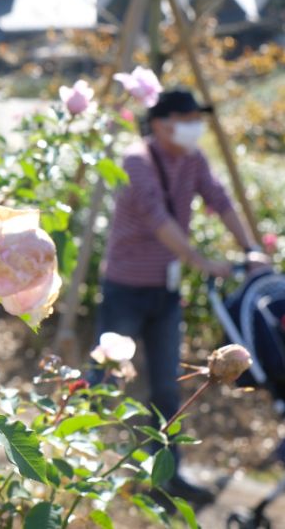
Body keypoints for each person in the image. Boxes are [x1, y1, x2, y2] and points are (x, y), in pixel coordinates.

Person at [96, 87, 266, 504]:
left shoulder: (192, 159)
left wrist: (251, 248)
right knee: (102, 377)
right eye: (186, 117)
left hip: (165, 293)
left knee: (168, 389)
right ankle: (84, 462)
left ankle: (165, 476)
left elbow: (219, 199)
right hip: (126, 289)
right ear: (161, 122)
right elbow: (156, 217)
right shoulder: (136, 159)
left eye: (196, 118)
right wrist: (199, 260)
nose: (194, 125)